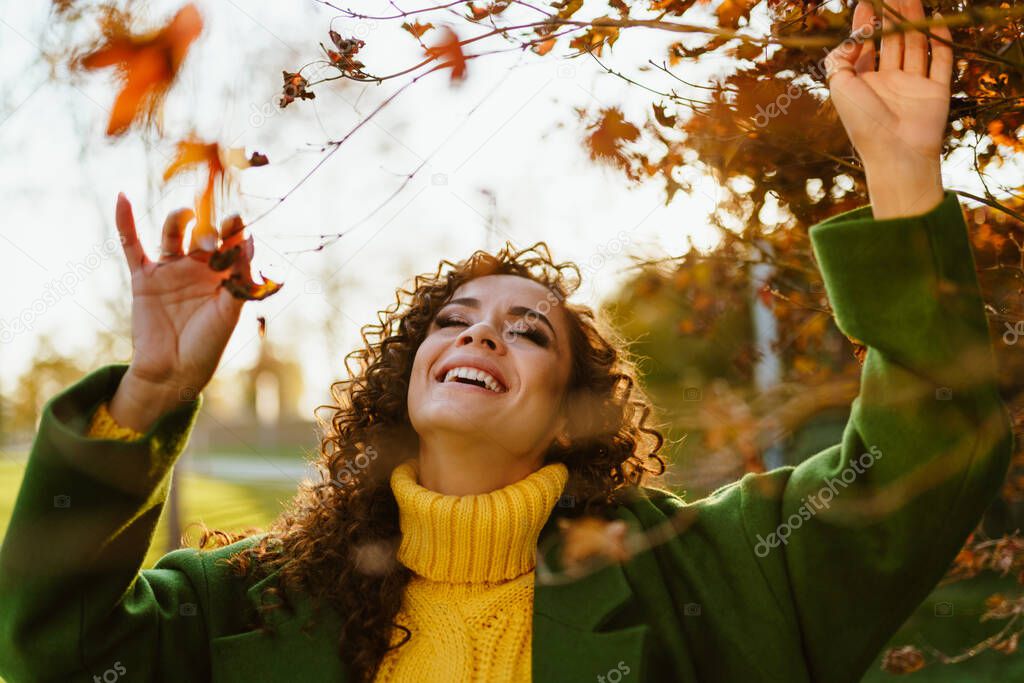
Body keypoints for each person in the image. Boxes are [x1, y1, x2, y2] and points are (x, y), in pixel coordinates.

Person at [0, 1, 1013, 681]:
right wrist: (147, 393)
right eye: (454, 319)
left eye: (527, 329)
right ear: (403, 376)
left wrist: (899, 172)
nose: (480, 331)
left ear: (572, 411)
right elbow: (53, 649)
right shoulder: (250, 603)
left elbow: (929, 448)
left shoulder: (708, 573)